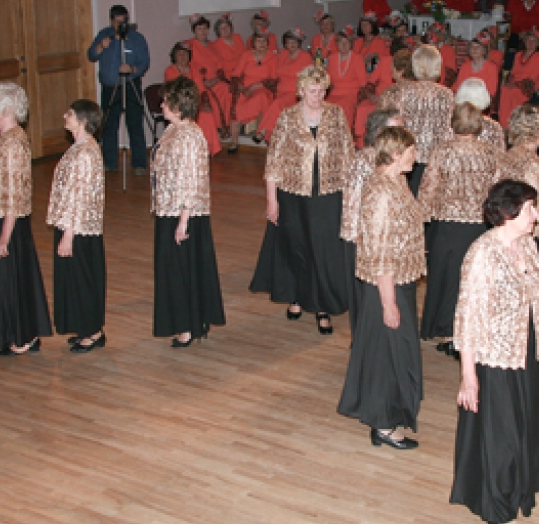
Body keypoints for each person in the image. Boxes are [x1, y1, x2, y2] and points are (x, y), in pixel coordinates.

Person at [450, 179, 539, 524]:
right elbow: (468, 318)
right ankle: (500, 513)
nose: (536, 216)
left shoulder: (525, 245)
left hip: (523, 351)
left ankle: (514, 491)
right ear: (509, 212)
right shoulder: (482, 254)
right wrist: (469, 378)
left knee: (522, 426)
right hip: (493, 357)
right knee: (502, 436)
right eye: (530, 208)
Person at [337, 127, 427, 449]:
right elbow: (379, 250)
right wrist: (388, 302)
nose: (416, 155)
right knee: (389, 356)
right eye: (412, 150)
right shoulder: (381, 191)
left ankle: (384, 418)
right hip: (386, 285)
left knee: (389, 354)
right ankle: (384, 425)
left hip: (398, 281)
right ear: (397, 153)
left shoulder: (396, 181)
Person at [250, 66, 353, 334]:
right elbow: (274, 160)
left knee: (324, 249)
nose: (317, 95)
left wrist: (352, 195)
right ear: (301, 90)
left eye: (321, 90)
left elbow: (348, 154)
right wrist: (272, 200)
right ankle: (297, 295)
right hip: (294, 192)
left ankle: (322, 306)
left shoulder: (337, 114)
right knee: (297, 246)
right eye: (312, 90)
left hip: (329, 192)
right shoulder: (287, 117)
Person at [0, 83, 52, 356]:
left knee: (11, 279)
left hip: (5, 220)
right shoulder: (5, 139)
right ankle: (10, 331)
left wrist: (5, 235)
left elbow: (15, 194)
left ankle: (23, 335)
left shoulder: (13, 144)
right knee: (2, 280)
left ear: (5, 109)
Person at [418, 103, 502, 353]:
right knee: (475, 280)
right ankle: (472, 331)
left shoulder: (441, 151)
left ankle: (447, 330)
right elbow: (498, 188)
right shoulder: (492, 152)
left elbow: (428, 188)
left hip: (447, 225)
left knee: (447, 279)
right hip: (480, 225)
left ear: (453, 123)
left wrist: (421, 223)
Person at [151, 77, 226, 347]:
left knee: (181, 270)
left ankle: (188, 326)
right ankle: (194, 320)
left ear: (178, 104)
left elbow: (192, 180)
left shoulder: (191, 135)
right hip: (168, 209)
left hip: (184, 213)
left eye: (166, 101)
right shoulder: (173, 130)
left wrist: (183, 222)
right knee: (177, 270)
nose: (161, 104)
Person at [47, 100, 107, 353]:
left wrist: (68, 235)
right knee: (79, 278)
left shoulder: (84, 152)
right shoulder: (83, 147)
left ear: (83, 121)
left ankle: (92, 332)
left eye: (69, 113)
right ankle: (86, 327)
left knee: (82, 279)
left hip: (78, 227)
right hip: (77, 224)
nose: (65, 115)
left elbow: (79, 195)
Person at [499, 105, 539, 341]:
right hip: (529, 237)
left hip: (507, 232)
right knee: (533, 294)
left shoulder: (507, 156)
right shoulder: (533, 165)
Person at [340, 107, 404, 337]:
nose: (403, 135)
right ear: (378, 132)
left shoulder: (391, 161)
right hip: (363, 241)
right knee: (366, 301)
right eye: (396, 129)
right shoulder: (365, 161)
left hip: (380, 242)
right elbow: (355, 207)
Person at [382, 45, 455, 195]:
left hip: (410, 158)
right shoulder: (447, 95)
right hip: (437, 160)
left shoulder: (403, 92)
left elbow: (396, 125)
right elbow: (450, 129)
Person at [87, 4, 150, 174]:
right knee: (109, 124)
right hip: (110, 86)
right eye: (118, 22)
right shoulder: (104, 35)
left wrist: (132, 69)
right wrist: (101, 46)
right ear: (111, 21)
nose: (121, 26)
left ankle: (139, 163)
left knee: (135, 123)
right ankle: (109, 162)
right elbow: (91, 55)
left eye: (124, 22)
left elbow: (144, 62)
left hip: (130, 84)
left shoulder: (136, 38)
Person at [257, 28, 313, 143]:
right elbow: (274, 73)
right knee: (271, 103)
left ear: (299, 42)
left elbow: (309, 77)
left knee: (277, 104)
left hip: (296, 92)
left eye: (294, 42)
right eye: (289, 42)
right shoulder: (282, 54)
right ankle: (272, 138)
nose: (291, 44)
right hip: (280, 90)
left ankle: (263, 132)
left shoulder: (305, 56)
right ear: (285, 43)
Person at [164, 42, 221, 156]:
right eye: (179, 54)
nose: (182, 57)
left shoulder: (194, 69)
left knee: (207, 114)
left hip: (195, 103)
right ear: (174, 56)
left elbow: (201, 89)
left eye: (185, 54)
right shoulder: (170, 71)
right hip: (178, 104)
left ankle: (207, 149)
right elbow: (174, 91)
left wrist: (204, 102)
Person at [184, 14, 234, 138]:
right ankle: (217, 128)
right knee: (210, 97)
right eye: (199, 29)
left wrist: (217, 78)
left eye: (205, 28)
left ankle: (226, 126)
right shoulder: (189, 45)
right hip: (201, 83)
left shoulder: (213, 45)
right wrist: (203, 82)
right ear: (194, 30)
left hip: (216, 81)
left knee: (227, 90)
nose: (203, 32)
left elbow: (220, 64)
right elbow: (189, 68)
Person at [229, 32, 277, 151]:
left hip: (264, 88)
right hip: (245, 89)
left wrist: (255, 86)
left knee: (262, 97)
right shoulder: (246, 55)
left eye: (264, 41)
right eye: (259, 41)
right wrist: (242, 88)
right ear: (253, 43)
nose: (262, 44)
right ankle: (234, 141)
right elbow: (236, 74)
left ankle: (260, 132)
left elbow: (273, 79)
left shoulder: (272, 56)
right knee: (237, 105)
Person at [499, 30, 539, 129]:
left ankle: (516, 124)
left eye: (533, 41)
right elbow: (512, 73)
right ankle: (504, 124)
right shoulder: (518, 55)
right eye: (528, 40)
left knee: (513, 92)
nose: (530, 43)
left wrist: (515, 85)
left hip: (528, 87)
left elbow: (532, 79)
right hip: (513, 85)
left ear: (538, 43)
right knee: (504, 89)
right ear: (524, 42)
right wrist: (509, 82)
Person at [210, 15, 247, 142]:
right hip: (229, 77)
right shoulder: (216, 44)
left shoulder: (237, 38)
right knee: (232, 94)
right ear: (218, 32)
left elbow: (246, 56)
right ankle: (231, 126)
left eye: (227, 27)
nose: (225, 30)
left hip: (244, 73)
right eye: (222, 28)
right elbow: (218, 65)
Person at [326, 26, 367, 131]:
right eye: (341, 42)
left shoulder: (357, 58)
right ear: (337, 44)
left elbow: (363, 82)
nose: (344, 45)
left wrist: (360, 96)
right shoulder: (332, 57)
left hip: (351, 93)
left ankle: (344, 136)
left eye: (347, 42)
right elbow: (328, 79)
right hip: (333, 93)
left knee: (343, 106)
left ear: (351, 44)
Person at [453, 33, 500, 100]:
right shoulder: (465, 66)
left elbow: (491, 92)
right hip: (464, 100)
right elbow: (458, 86)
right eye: (472, 47)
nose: (474, 49)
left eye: (478, 47)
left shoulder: (492, 67)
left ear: (484, 51)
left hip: (482, 101)